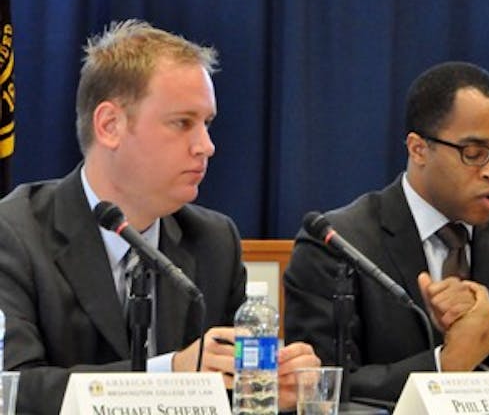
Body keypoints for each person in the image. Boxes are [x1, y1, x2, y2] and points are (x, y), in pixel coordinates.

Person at [0, 20, 319, 414]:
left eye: (207, 124)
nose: (207, 146)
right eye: (183, 123)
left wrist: (271, 387)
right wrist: (169, 373)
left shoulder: (214, 240)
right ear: (110, 125)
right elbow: (14, 388)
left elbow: (231, 390)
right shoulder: (14, 233)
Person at [283, 61, 489, 404]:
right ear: (418, 148)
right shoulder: (338, 243)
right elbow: (319, 389)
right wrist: (445, 365)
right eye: (475, 154)